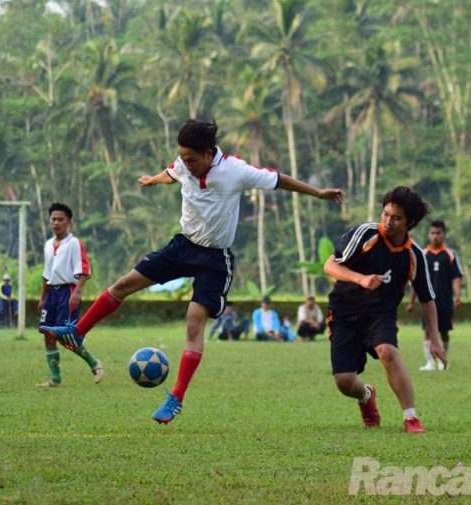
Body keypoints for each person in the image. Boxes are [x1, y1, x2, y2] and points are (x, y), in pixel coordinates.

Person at [40, 119, 344, 424]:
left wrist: (318, 193)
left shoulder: (235, 171)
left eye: (192, 159)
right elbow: (171, 172)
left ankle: (176, 398)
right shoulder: (185, 164)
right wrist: (153, 180)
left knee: (193, 325)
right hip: (182, 247)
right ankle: (77, 332)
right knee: (124, 284)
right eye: (183, 158)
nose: (186, 164)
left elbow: (280, 180)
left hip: (214, 260)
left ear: (210, 153)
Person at [323, 186, 446, 434]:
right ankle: (366, 396)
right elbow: (330, 265)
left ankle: (410, 417)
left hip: (381, 313)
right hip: (345, 311)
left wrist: (435, 339)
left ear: (409, 223)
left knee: (388, 351)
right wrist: (361, 279)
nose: (388, 221)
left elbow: (427, 299)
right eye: (386, 214)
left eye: (396, 218)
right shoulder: (365, 234)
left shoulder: (415, 255)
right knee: (344, 381)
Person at [36, 202, 103, 387]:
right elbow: (46, 273)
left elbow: (83, 269)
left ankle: (94, 363)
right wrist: (43, 297)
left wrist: (78, 291)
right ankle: (55, 378)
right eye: (53, 219)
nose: (56, 222)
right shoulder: (49, 244)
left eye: (60, 219)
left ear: (69, 221)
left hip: (68, 292)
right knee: (47, 333)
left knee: (65, 336)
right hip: (52, 294)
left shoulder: (74, 243)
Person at [407, 220, 463, 371]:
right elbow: (415, 280)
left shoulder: (450, 255)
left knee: (444, 332)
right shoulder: (423, 254)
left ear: (444, 235)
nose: (435, 236)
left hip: (444, 301)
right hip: (426, 301)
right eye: (432, 233)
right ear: (429, 235)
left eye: (438, 233)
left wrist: (458, 296)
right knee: (427, 331)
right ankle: (430, 363)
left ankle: (443, 361)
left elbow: (456, 277)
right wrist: (411, 302)